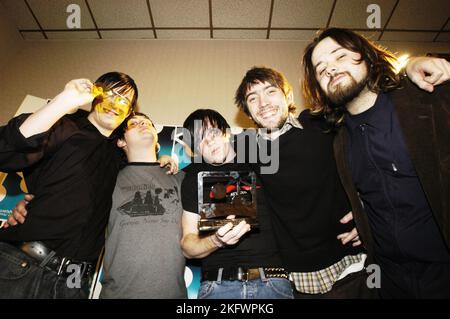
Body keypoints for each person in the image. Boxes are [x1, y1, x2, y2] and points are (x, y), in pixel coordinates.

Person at [234, 56, 449, 298]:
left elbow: (368, 104)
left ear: (288, 97)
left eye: (270, 91)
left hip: (353, 258)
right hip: (297, 272)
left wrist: (408, 69)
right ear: (248, 111)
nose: (263, 103)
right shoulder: (245, 148)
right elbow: (206, 155)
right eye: (253, 99)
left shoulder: (321, 122)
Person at [302, 27, 450, 298]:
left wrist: (414, 64)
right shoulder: (339, 140)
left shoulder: (425, 99)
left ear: (368, 57)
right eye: (321, 69)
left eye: (340, 56)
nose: (330, 69)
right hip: (388, 278)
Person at [0, 72, 138, 298]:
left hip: (73, 284)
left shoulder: (120, 158)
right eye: (109, 94)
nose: (114, 104)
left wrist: (163, 160)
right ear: (96, 96)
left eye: (123, 100)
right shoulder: (63, 126)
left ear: (129, 112)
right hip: (20, 266)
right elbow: (8, 150)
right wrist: (64, 101)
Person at [180, 109, 294, 299]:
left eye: (212, 133)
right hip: (217, 285)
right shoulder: (193, 179)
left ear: (227, 133)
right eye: (200, 140)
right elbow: (187, 245)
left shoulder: (261, 163)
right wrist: (216, 240)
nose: (208, 142)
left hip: (273, 282)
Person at [100, 112, 186, 299]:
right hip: (118, 294)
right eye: (134, 123)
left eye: (147, 122)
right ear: (121, 141)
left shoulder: (181, 178)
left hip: (172, 294)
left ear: (156, 140)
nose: (143, 124)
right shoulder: (106, 179)